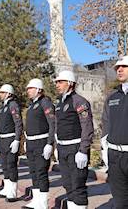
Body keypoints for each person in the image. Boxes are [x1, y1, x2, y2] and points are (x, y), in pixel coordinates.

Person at [54, 70, 94, 209]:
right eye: (56, 82)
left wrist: (83, 150)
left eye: (60, 82)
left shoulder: (80, 101)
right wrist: (56, 145)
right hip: (63, 148)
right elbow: (58, 125)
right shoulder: (59, 102)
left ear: (70, 83)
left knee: (78, 186)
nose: (57, 84)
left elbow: (87, 126)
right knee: (67, 184)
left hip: (75, 148)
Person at [21, 79, 55, 209]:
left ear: (38, 90)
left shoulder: (45, 102)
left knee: (41, 172)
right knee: (33, 171)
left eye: (30, 88)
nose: (28, 91)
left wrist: (49, 143)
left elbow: (52, 124)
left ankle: (43, 203)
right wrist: (26, 140)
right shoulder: (32, 105)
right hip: (31, 142)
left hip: (41, 142)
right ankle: (36, 200)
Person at [101, 56, 128, 209]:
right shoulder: (112, 97)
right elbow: (105, 123)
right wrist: (105, 149)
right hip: (115, 157)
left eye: (124, 66)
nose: (119, 69)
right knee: (120, 201)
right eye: (117, 67)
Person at [0, 84, 23, 202]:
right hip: (3, 139)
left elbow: (18, 123)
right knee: (4, 165)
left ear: (8, 93)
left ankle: (12, 191)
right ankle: (6, 188)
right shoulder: (3, 107)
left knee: (11, 165)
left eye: (2, 92)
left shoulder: (13, 105)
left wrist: (17, 139)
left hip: (10, 139)